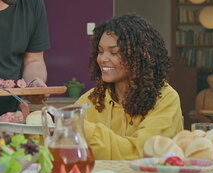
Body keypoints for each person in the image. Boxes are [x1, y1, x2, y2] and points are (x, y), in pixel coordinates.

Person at [75, 13, 183, 160]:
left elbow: (141, 152)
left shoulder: (166, 99)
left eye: (113, 52)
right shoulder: (92, 99)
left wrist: (81, 127)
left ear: (139, 55)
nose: (102, 59)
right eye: (100, 51)